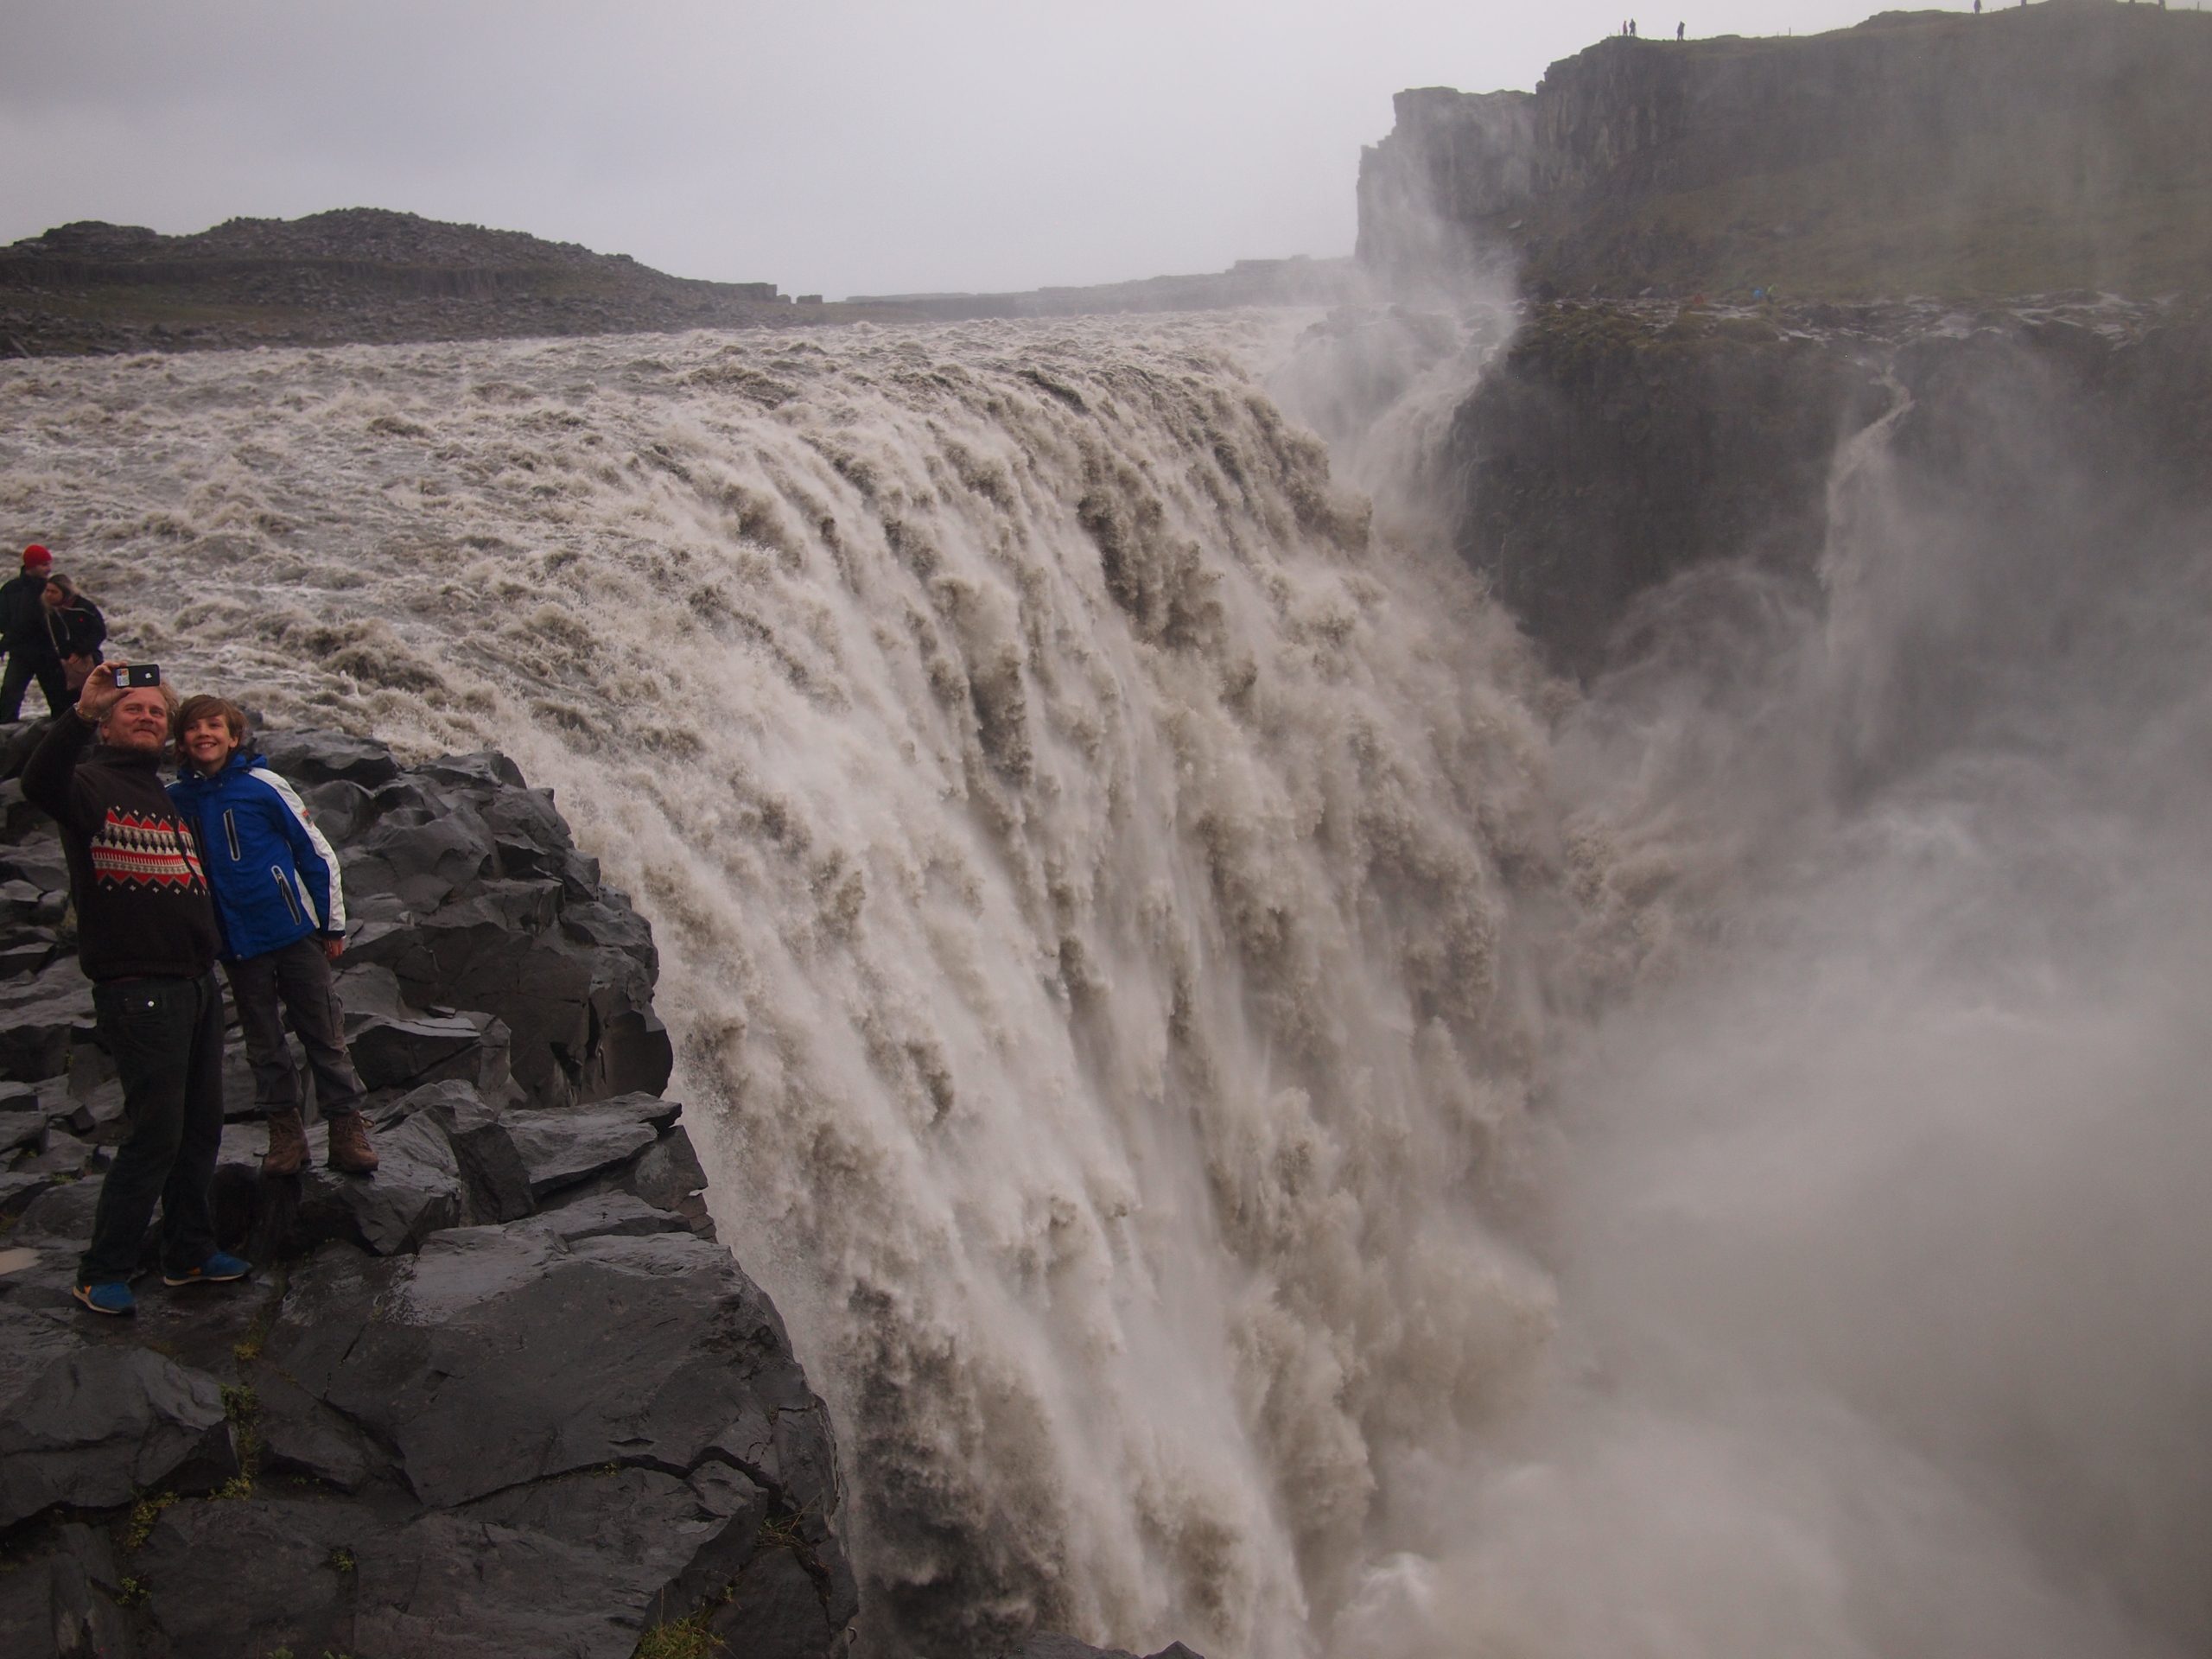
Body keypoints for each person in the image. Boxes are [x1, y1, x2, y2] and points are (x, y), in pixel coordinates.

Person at [22, 662, 245, 1315]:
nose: (146, 718)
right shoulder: (88, 785)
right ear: (110, 723)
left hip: (197, 986)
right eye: (132, 709)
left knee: (202, 1128)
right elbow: (38, 781)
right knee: (155, 1133)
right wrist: (82, 710)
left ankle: (189, 1251)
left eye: (155, 712)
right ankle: (104, 1269)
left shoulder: (165, 794)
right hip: (139, 990)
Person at [168, 694, 377, 1177]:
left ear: (233, 736)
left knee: (324, 1033)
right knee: (263, 1044)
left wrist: (332, 924)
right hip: (238, 946)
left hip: (293, 932)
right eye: (194, 728)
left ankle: (346, 1128)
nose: (205, 735)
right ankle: (286, 1134)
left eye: (214, 726)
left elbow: (316, 853)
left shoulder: (264, 786)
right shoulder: (176, 800)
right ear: (181, 742)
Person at [1, 543, 68, 721]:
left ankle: (65, 736)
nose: (49, 569)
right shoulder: (11, 589)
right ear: (31, 566)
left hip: (47, 653)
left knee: (58, 699)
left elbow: (66, 621)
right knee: (9, 696)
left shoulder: (52, 590)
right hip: (21, 653)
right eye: (44, 564)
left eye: (49, 563)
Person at [40, 571, 106, 695]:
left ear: (65, 593)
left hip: (85, 660)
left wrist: (80, 652)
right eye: (47, 591)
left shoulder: (83, 608)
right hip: (57, 664)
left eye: (54, 592)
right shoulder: (47, 611)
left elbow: (100, 632)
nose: (49, 595)